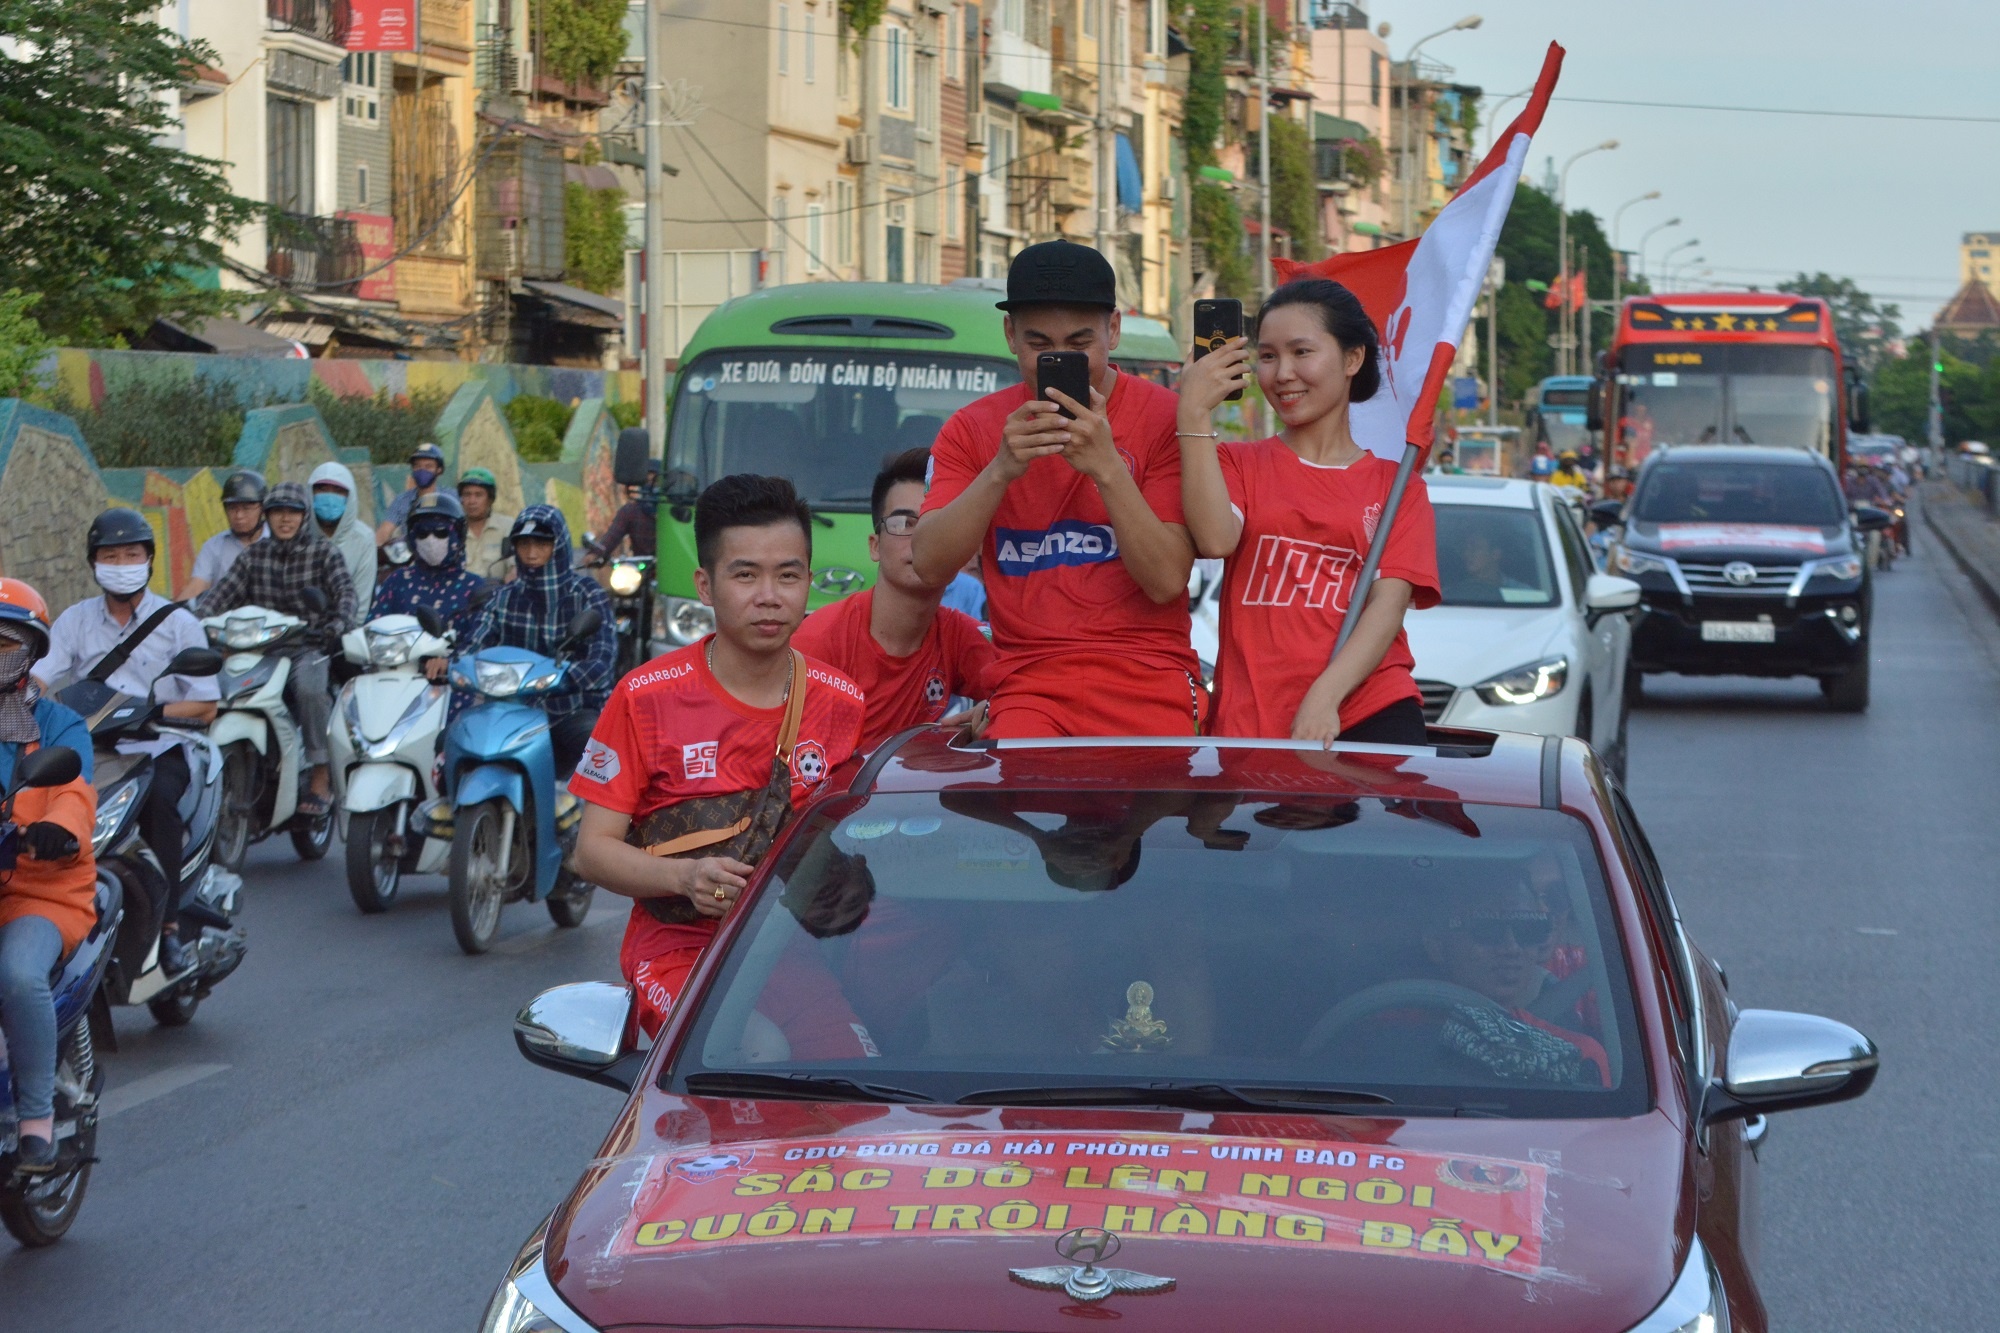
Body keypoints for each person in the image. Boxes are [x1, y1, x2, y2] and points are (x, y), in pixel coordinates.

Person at [569, 475, 867, 1040]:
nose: (770, 596)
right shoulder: (645, 696)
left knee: (849, 1065)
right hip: (674, 948)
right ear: (705, 586)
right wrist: (684, 877)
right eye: (745, 574)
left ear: (809, 580)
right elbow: (592, 853)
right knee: (747, 1047)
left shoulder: (842, 702)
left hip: (783, 947)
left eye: (788, 574)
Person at [911, 240, 1199, 738]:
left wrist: (1107, 468)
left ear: (1113, 329)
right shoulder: (973, 428)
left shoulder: (1164, 419)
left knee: (1152, 809)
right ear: (1010, 335)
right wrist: (1000, 470)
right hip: (1030, 686)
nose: (1060, 359)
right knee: (1030, 795)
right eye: (1040, 345)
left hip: (1150, 677)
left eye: (1079, 343)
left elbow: (1167, 580)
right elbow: (929, 565)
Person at [1174, 276, 1440, 745]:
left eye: (1302, 352)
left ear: (1352, 358)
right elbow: (1216, 540)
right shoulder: (1237, 463)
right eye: (1268, 356)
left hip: (1365, 711)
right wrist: (1193, 414)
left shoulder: (1398, 487)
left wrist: (1325, 698)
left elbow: (1387, 607)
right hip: (1254, 723)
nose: (1282, 374)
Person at [34, 509, 220, 974]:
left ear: (149, 560)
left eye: (131, 553)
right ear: (94, 563)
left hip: (160, 747)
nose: (121, 562)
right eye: (110, 554)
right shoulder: (75, 620)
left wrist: (153, 712)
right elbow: (40, 675)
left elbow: (205, 706)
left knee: (159, 804)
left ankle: (170, 928)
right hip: (92, 747)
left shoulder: (178, 623)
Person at [792, 448, 996, 750]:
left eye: (937, 525)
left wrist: (995, 713)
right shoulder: (819, 645)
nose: (921, 540)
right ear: (874, 546)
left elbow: (1037, 684)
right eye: (904, 524)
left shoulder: (957, 636)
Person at [0, 578, 97, 1176]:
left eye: (4, 642)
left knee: (16, 973)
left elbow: (73, 791)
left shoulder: (57, 723)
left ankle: (36, 1122)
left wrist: (55, 829)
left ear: (31, 652)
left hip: (40, 891)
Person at [196, 482, 356, 815]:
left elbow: (346, 596)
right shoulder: (254, 555)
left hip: (307, 647)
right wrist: (193, 620)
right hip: (258, 650)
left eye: (293, 513)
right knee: (217, 687)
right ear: (267, 516)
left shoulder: (324, 552)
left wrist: (336, 625)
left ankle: (320, 774)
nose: (285, 520)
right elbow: (219, 596)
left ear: (304, 516)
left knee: (311, 689)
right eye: (278, 512)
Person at [460, 506, 614, 776]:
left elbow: (602, 662)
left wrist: (561, 679)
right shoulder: (503, 598)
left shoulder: (587, 594)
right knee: (451, 746)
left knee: (606, 761)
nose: (531, 553)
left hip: (570, 711)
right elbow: (473, 646)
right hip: (508, 712)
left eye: (542, 544)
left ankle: (602, 818)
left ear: (559, 546)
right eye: (524, 544)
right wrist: (457, 665)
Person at [370, 491, 488, 681]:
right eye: (423, 533)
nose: (431, 540)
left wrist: (452, 661)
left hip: (455, 685)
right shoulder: (397, 582)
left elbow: (483, 642)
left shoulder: (475, 587)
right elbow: (374, 629)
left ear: (458, 536)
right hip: (396, 680)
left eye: (441, 533)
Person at [179, 469, 267, 599]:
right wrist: (171, 614)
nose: (239, 516)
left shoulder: (276, 542)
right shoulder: (213, 546)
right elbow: (197, 586)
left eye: (246, 508)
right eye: (232, 508)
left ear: (263, 509)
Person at [309, 460, 376, 617]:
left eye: (338, 491)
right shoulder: (300, 534)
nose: (330, 497)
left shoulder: (363, 539)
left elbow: (361, 601)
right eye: (322, 489)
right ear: (310, 493)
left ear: (350, 496)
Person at [376, 443, 447, 545]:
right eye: (417, 466)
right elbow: (384, 532)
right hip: (413, 556)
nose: (422, 470)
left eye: (428, 466)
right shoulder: (401, 500)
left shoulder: (451, 498)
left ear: (439, 469)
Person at [586, 469, 659, 565]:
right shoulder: (631, 511)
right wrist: (595, 554)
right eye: (647, 481)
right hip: (643, 569)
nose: (651, 485)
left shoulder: (676, 511)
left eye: (655, 482)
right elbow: (612, 536)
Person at [456, 467, 514, 580]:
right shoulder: (453, 528)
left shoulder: (507, 526)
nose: (472, 501)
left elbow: (515, 566)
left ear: (490, 499)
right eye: (467, 495)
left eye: (478, 495)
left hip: (496, 592)